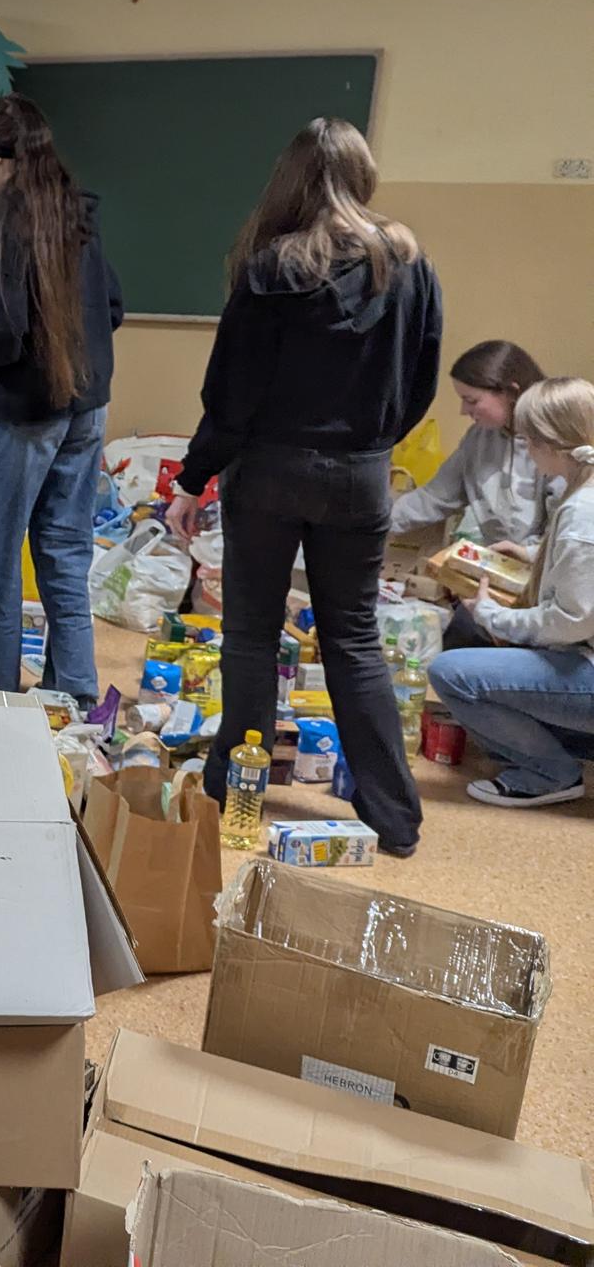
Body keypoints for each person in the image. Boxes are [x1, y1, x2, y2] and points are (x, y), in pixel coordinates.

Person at [166, 117, 441, 858]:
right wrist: (372, 444)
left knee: (250, 639)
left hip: (268, 472)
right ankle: (396, 819)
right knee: (354, 641)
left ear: (288, 180)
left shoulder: (269, 269)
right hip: (361, 475)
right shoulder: (409, 265)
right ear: (363, 175)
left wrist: (193, 479)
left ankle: (237, 803)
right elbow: (419, 381)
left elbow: (231, 393)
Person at [0, 95, 123, 704]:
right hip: (86, 405)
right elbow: (114, 309)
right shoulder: (79, 214)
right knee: (65, 552)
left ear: (4, 162)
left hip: (25, 413)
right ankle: (73, 697)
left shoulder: (8, 225)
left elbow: (3, 340)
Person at [429, 377, 594, 809]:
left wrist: (490, 614)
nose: (525, 452)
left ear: (551, 445)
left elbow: (569, 622)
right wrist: (533, 554)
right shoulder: (583, 497)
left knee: (453, 671)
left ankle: (551, 772)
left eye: (527, 442)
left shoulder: (580, 514)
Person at [390, 340, 559, 650]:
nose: (463, 411)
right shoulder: (478, 440)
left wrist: (528, 559)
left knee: (466, 651)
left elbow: (562, 538)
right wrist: (369, 523)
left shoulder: (554, 445)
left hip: (547, 592)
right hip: (495, 580)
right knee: (451, 642)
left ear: (510, 391)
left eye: (471, 400)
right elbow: (433, 499)